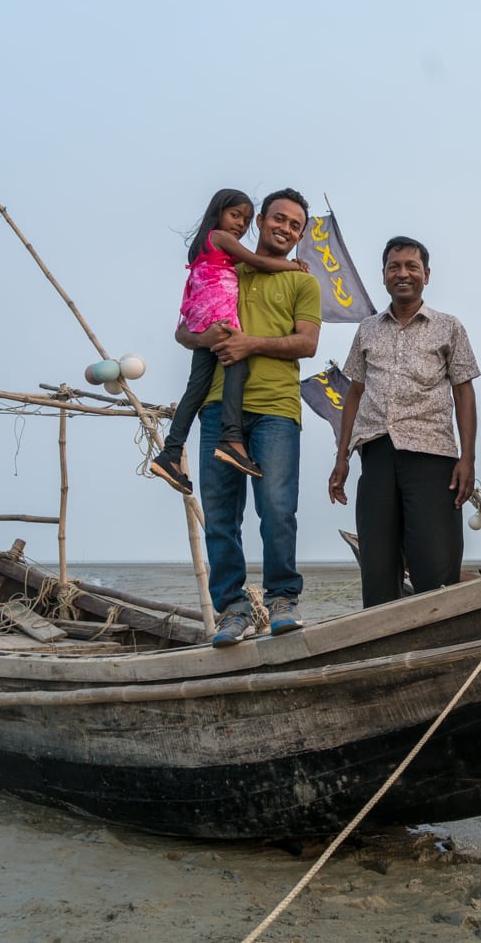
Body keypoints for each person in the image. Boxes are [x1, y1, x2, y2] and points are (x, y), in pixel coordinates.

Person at [176, 188, 321, 644]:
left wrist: (249, 344)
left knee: (277, 509)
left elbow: (307, 343)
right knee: (220, 515)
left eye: (295, 225)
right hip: (217, 406)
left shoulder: (303, 281)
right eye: (279, 219)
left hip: (277, 409)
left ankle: (282, 601)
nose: (285, 228)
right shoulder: (224, 264)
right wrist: (208, 338)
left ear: (300, 234)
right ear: (259, 220)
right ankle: (234, 610)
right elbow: (183, 330)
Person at [328, 237, 479, 607]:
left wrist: (468, 458)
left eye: (412, 266)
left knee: (435, 561)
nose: (403, 273)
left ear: (426, 274)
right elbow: (354, 393)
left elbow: (464, 392)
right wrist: (342, 456)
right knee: (378, 561)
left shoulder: (449, 327)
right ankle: (382, 652)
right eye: (394, 267)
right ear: (383, 276)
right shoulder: (367, 329)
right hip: (376, 453)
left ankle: (438, 641)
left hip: (432, 454)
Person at [150, 188, 309, 494]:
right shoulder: (223, 242)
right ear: (218, 212)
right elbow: (257, 262)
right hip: (217, 319)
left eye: (244, 219)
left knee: (195, 388)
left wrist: (201, 336)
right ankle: (232, 439)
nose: (240, 224)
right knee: (238, 366)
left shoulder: (210, 253)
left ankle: (171, 453)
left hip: (204, 318)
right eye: (235, 215)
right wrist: (293, 264)